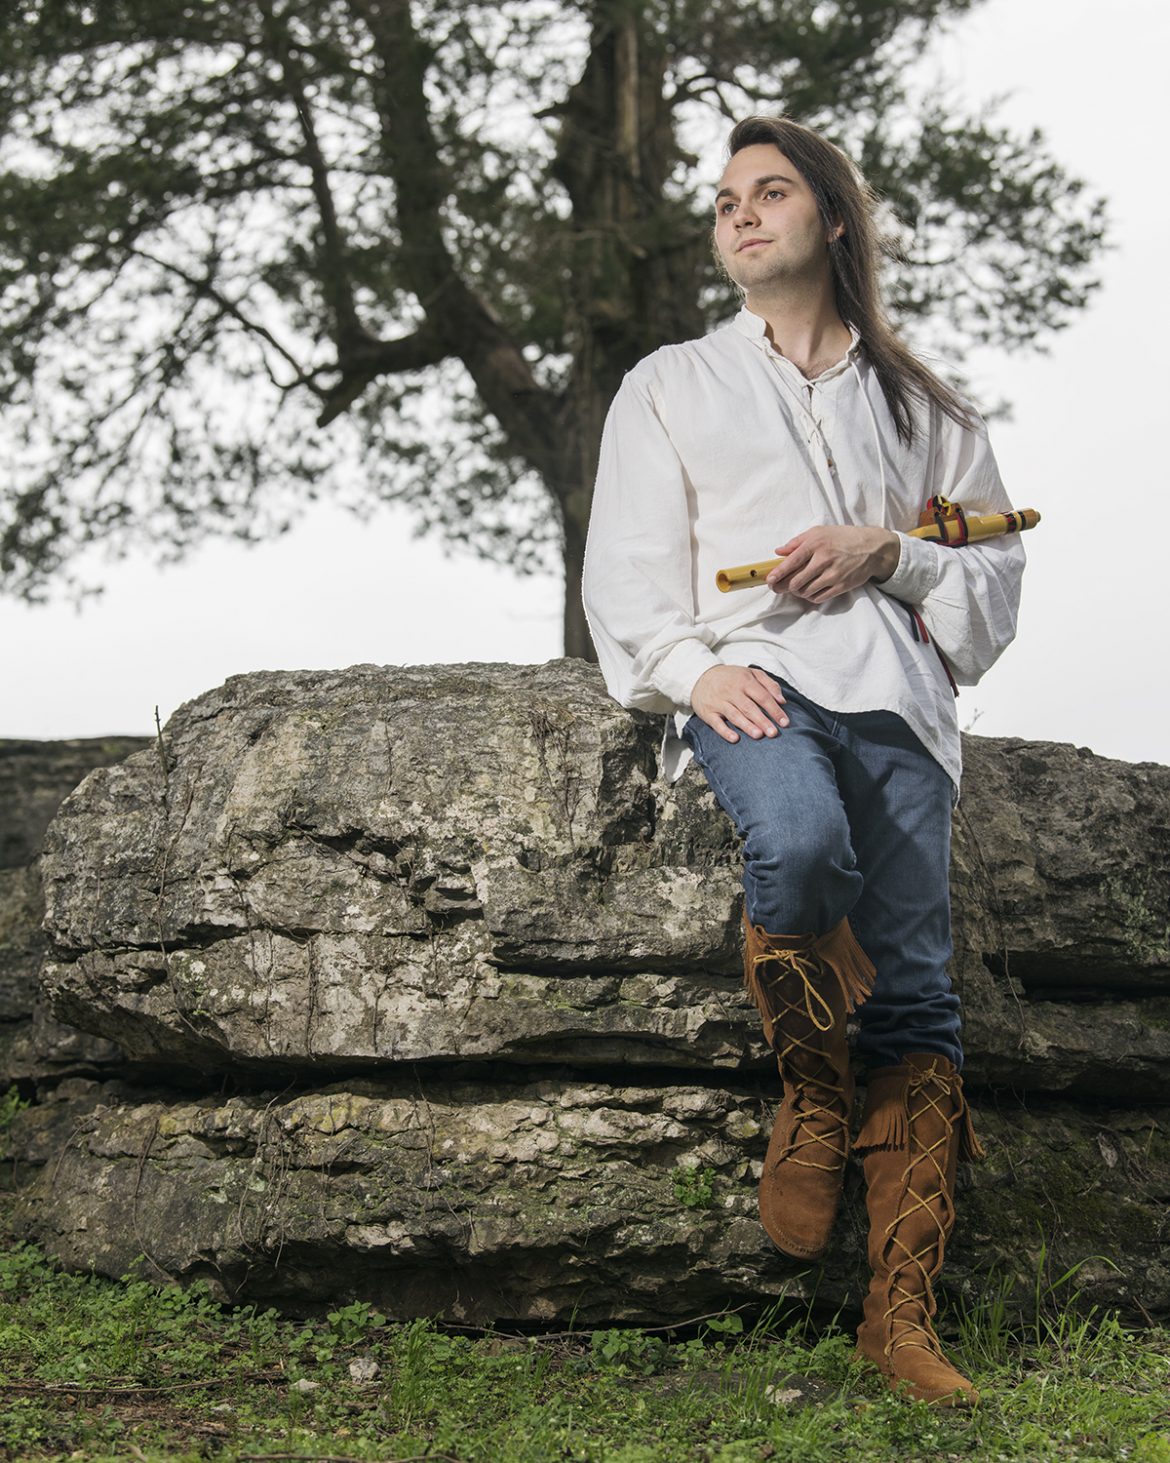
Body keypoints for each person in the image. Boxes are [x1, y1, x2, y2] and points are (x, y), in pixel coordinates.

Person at [581, 114, 1025, 1407]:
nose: (738, 214)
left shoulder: (925, 406)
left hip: (899, 700)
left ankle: (899, 1320)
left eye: (768, 193)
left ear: (830, 220)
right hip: (755, 678)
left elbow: (993, 565)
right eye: (724, 200)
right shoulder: (668, 384)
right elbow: (626, 567)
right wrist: (692, 673)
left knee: (919, 997)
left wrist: (891, 553)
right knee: (798, 844)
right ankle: (814, 1091)